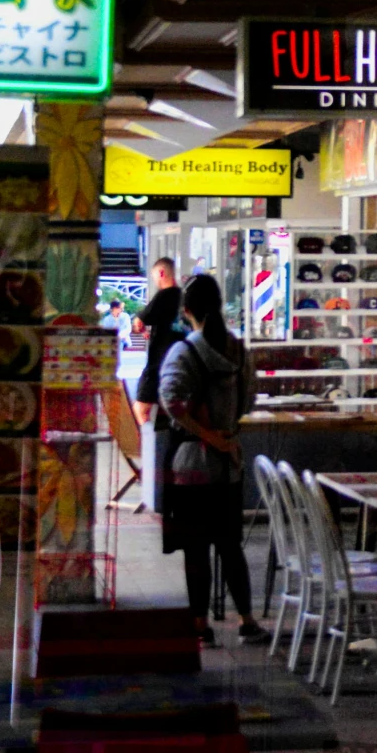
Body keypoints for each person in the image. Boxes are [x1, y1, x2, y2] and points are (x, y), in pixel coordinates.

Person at [155, 272, 266, 644]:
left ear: (187, 311)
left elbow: (171, 403)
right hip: (229, 467)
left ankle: (200, 626)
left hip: (190, 467)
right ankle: (247, 620)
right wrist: (225, 434)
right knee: (231, 545)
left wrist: (205, 435)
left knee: (197, 548)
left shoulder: (183, 352)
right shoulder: (238, 351)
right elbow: (249, 399)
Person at [132, 258, 179, 512]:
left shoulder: (164, 296)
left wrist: (139, 325)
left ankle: (151, 448)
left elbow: (140, 322)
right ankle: (159, 448)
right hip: (175, 366)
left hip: (157, 366)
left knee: (141, 409)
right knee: (166, 411)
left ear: (161, 273)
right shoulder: (182, 298)